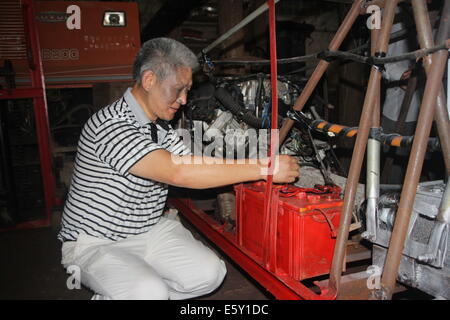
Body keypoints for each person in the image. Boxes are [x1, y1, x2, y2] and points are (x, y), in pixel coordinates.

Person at [57, 37, 300, 300]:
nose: (184, 100)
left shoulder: (161, 126)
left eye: (188, 90)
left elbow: (194, 163)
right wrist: (264, 168)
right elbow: (179, 171)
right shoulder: (111, 125)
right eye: (178, 89)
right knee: (148, 293)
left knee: (210, 274)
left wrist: (248, 154)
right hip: (96, 241)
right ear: (149, 80)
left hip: (149, 229)